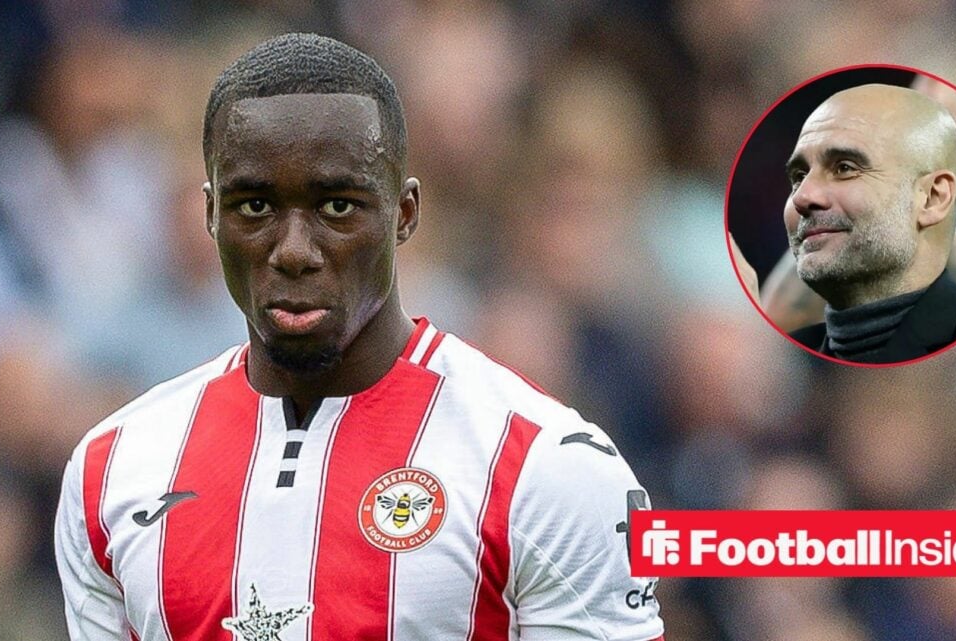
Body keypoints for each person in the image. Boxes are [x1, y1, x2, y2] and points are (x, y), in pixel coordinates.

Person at [54, 33, 664, 641]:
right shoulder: (110, 472)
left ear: (405, 213)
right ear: (211, 214)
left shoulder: (545, 466)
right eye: (255, 206)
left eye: (337, 207)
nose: (293, 251)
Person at [773, 83, 956, 364]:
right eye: (799, 176)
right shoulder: (790, 363)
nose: (801, 196)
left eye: (845, 168)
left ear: (933, 198)